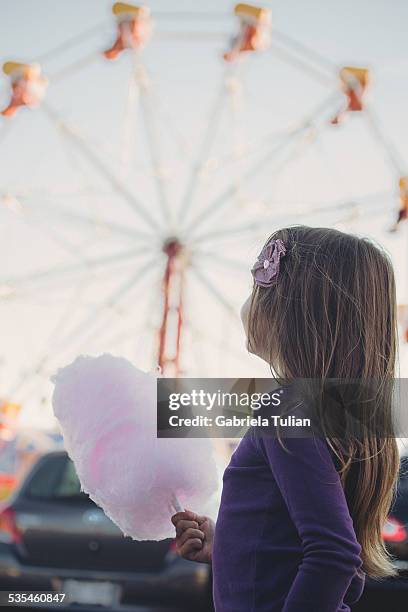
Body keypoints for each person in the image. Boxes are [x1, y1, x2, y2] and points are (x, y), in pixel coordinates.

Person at [172, 226, 399, 611]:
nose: (247, 305)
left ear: (289, 312)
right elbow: (313, 550)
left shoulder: (286, 411)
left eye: (255, 290)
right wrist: (227, 543)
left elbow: (335, 555)